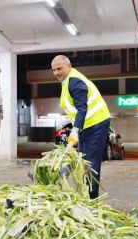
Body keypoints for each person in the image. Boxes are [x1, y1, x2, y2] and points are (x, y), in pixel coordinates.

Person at [50, 55, 111, 199]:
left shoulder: (75, 82)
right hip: (87, 126)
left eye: (59, 68)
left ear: (69, 66)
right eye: (53, 70)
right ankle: (85, 192)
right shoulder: (66, 81)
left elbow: (82, 109)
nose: (56, 72)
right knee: (81, 160)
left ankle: (91, 198)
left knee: (90, 163)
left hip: (97, 124)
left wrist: (75, 131)